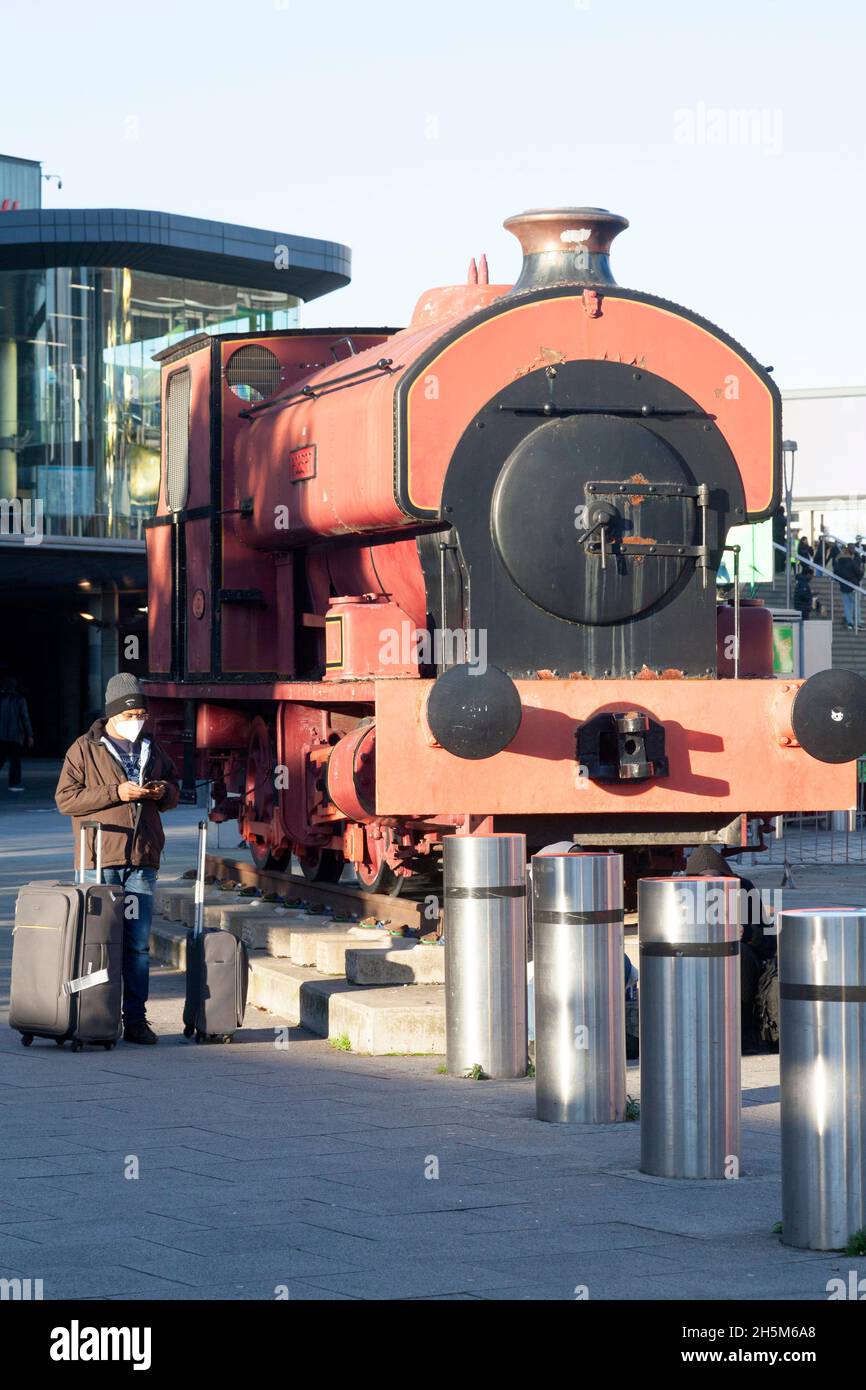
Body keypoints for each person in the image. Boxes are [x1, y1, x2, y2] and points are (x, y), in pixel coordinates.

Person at [55, 673, 180, 1044]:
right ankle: (97, 1016)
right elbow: (66, 799)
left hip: (142, 859)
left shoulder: (151, 746)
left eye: (141, 713)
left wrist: (161, 791)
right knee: (99, 942)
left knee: (137, 946)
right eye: (130, 713)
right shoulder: (84, 749)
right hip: (100, 860)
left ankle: (136, 1020)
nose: (137, 719)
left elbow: (175, 789)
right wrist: (117, 792)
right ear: (113, 714)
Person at [685, 844, 777, 1052]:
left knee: (740, 955)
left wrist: (748, 933)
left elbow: (770, 943)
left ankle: (743, 1036)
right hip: (694, 958)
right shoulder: (681, 892)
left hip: (742, 963)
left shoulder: (744, 888)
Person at [0, 676, 33, 791]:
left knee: (1, 758)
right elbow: (25, 718)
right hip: (16, 735)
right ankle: (14, 783)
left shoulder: (1, 699)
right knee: (15, 761)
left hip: (1, 735)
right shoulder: (19, 699)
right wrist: (29, 735)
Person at [832, 545, 863, 630]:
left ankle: (850, 622)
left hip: (843, 587)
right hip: (853, 586)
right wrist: (858, 578)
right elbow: (859, 573)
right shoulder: (852, 562)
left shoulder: (838, 564)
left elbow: (835, 575)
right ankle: (858, 622)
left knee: (846, 605)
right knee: (856, 605)